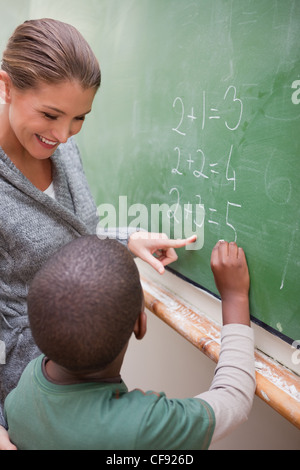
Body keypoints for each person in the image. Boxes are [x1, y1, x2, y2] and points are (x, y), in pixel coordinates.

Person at [0, 18, 195, 449]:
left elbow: (68, 232)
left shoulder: (62, 147)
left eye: (79, 118)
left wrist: (123, 239)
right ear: (6, 86)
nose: (63, 134)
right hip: (21, 402)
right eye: (50, 115)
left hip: (83, 389)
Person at [4, 236, 256, 450]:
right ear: (140, 324)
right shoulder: (141, 426)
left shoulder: (27, 380)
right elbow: (234, 398)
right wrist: (234, 298)